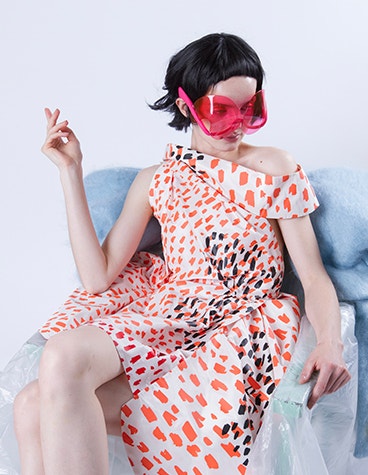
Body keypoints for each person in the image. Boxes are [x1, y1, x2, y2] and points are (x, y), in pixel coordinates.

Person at [13, 32, 350, 475]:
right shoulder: (158, 179)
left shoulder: (274, 167)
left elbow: (314, 277)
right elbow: (97, 277)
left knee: (43, 393)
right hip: (171, 316)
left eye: (251, 109)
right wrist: (71, 171)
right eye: (221, 111)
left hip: (241, 332)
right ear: (185, 105)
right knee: (30, 402)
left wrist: (329, 343)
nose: (238, 124)